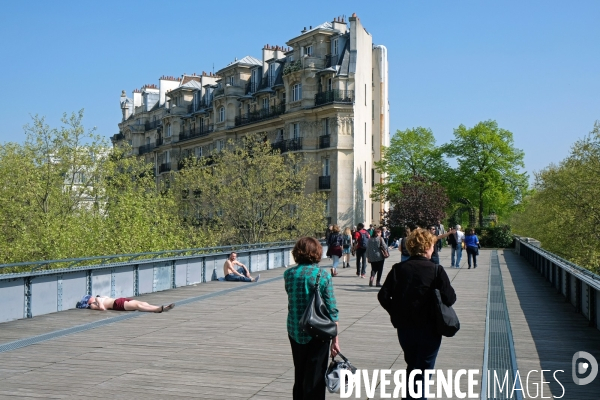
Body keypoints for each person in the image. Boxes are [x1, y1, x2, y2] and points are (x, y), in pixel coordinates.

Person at [378, 228, 457, 400]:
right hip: (430, 327)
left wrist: (395, 311)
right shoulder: (436, 270)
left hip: (405, 327)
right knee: (424, 369)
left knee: (412, 365)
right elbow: (450, 299)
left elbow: (383, 295)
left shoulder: (398, 269)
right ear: (427, 246)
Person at [284, 237, 340, 400]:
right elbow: (332, 309)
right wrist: (335, 339)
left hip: (295, 328)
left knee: (299, 373)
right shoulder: (322, 275)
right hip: (318, 330)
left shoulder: (289, 274)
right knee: (315, 377)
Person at [76, 294, 174, 313]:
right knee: (138, 306)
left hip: (120, 300)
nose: (91, 296)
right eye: (89, 298)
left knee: (143, 302)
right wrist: (97, 300)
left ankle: (161, 307)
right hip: (117, 304)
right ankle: (158, 309)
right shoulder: (93, 305)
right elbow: (102, 308)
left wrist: (99, 298)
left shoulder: (99, 297)